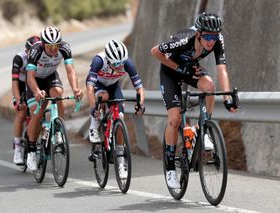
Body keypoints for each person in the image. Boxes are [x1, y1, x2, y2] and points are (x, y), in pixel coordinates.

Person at [151, 12, 238, 189]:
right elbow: (155, 51)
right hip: (170, 72)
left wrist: (228, 97)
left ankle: (204, 128)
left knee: (210, 87)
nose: (211, 41)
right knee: (175, 119)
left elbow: (222, 69)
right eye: (207, 36)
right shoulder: (184, 39)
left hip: (190, 69)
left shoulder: (217, 40)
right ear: (198, 33)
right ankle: (169, 168)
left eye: (214, 36)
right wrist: (179, 68)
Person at [25, 26, 83, 171]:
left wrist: (75, 88)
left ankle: (58, 130)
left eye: (56, 45)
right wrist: (37, 91)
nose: (54, 50)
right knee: (38, 114)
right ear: (44, 44)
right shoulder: (35, 50)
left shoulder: (64, 47)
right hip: (35, 81)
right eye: (50, 46)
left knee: (57, 95)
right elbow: (30, 76)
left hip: (50, 77)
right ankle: (31, 151)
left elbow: (71, 70)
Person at [86, 39, 145, 178]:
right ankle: (94, 126)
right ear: (108, 59)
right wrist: (93, 108)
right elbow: (89, 88)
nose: (119, 66)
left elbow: (140, 88)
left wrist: (140, 104)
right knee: (104, 96)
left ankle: (120, 159)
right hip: (98, 86)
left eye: (121, 63)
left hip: (114, 86)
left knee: (120, 120)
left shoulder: (127, 63)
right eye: (116, 63)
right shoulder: (98, 61)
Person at [12, 35, 40, 164]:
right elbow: (14, 82)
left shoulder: (40, 55)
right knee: (21, 113)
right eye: (30, 51)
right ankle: (17, 147)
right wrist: (18, 101)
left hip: (35, 83)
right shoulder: (19, 58)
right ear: (26, 50)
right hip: (22, 85)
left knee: (39, 113)